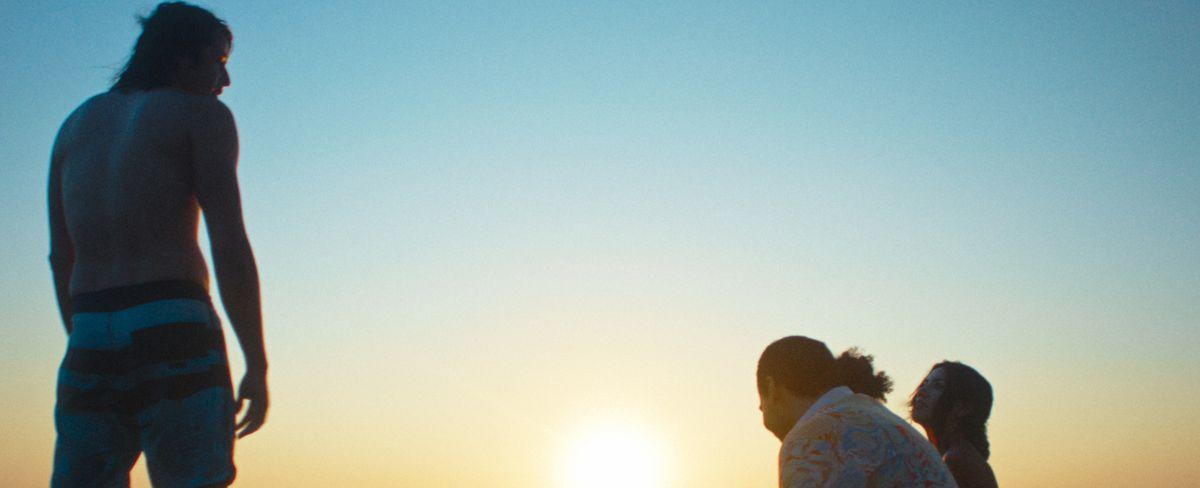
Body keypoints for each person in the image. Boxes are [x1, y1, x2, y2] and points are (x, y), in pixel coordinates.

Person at [46, 2, 267, 486]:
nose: (224, 81)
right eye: (219, 61)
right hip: (172, 321)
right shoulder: (201, 115)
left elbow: (60, 255)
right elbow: (228, 241)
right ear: (181, 60)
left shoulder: (75, 126)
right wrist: (257, 360)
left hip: (88, 327)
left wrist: (89, 340)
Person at [756, 336, 956, 487]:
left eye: (761, 399)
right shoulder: (877, 417)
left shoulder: (813, 437)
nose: (760, 408)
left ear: (771, 387)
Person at [910, 362, 998, 488]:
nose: (921, 392)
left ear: (963, 408)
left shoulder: (956, 460)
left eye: (938, 386)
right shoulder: (952, 456)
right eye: (924, 383)